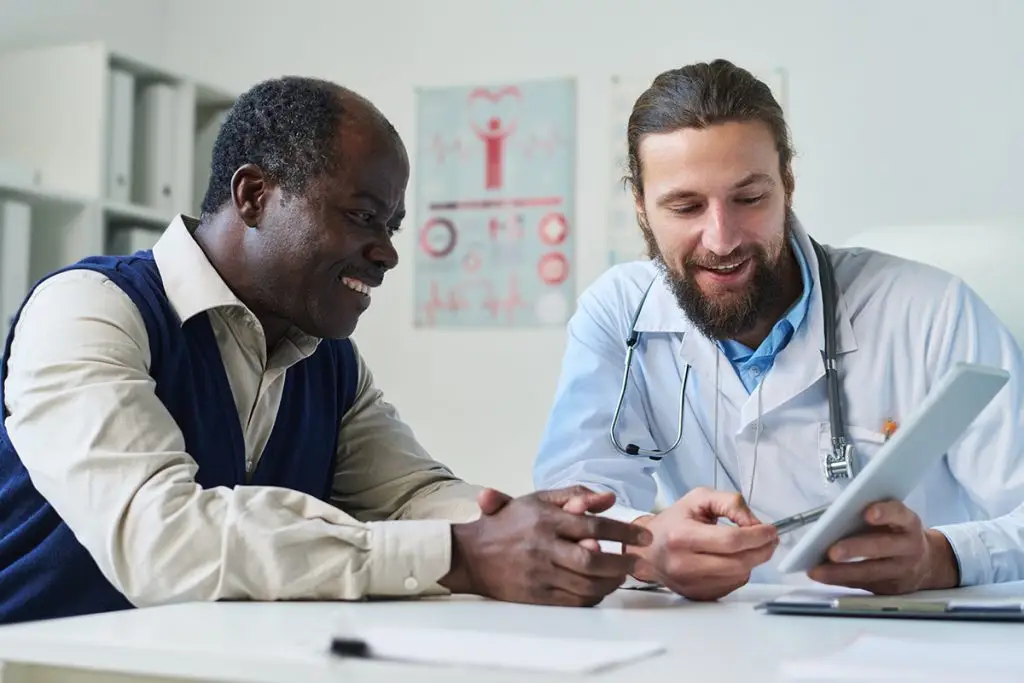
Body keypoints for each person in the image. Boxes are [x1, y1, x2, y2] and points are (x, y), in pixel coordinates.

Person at [0, 76, 651, 624]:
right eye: (364, 215)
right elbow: (162, 541)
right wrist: (462, 554)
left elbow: (412, 495)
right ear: (254, 195)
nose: (388, 252)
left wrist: (579, 536)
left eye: (392, 226)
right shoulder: (88, 309)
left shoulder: (326, 358)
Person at [533, 59, 1024, 601]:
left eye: (749, 199)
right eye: (686, 206)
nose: (721, 239)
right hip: (714, 636)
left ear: (787, 184)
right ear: (641, 208)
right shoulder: (618, 313)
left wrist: (941, 559)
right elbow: (567, 509)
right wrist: (646, 548)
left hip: (905, 631)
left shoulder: (931, 311)